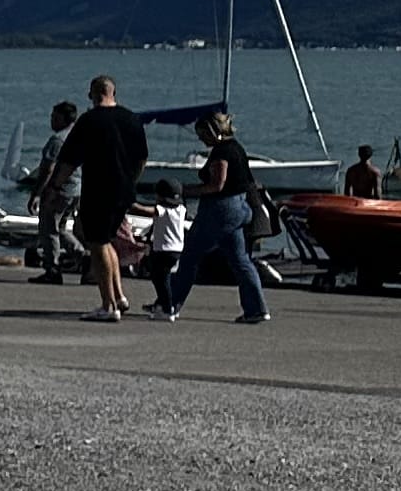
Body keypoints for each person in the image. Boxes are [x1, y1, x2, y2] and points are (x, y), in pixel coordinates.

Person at [156, 106, 269, 323]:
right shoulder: (237, 148)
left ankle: (170, 305)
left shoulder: (222, 152)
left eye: (203, 134)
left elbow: (217, 185)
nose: (202, 140)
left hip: (220, 209)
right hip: (240, 207)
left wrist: (184, 191)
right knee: (240, 260)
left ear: (212, 130)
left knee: (189, 257)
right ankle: (256, 309)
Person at [62, 74, 152, 322]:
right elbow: (142, 157)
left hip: (98, 189)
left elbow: (69, 159)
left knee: (97, 242)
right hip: (123, 190)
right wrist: (131, 180)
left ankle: (107, 304)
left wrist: (53, 188)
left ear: (93, 93)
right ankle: (119, 296)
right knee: (107, 240)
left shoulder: (89, 121)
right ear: (114, 92)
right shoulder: (132, 119)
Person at [29, 99, 82, 280]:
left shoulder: (57, 140)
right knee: (61, 228)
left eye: (54, 117)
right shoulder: (79, 137)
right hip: (76, 190)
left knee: (49, 229)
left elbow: (48, 168)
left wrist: (37, 193)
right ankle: (82, 256)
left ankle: (52, 269)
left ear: (63, 119)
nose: (51, 121)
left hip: (58, 190)